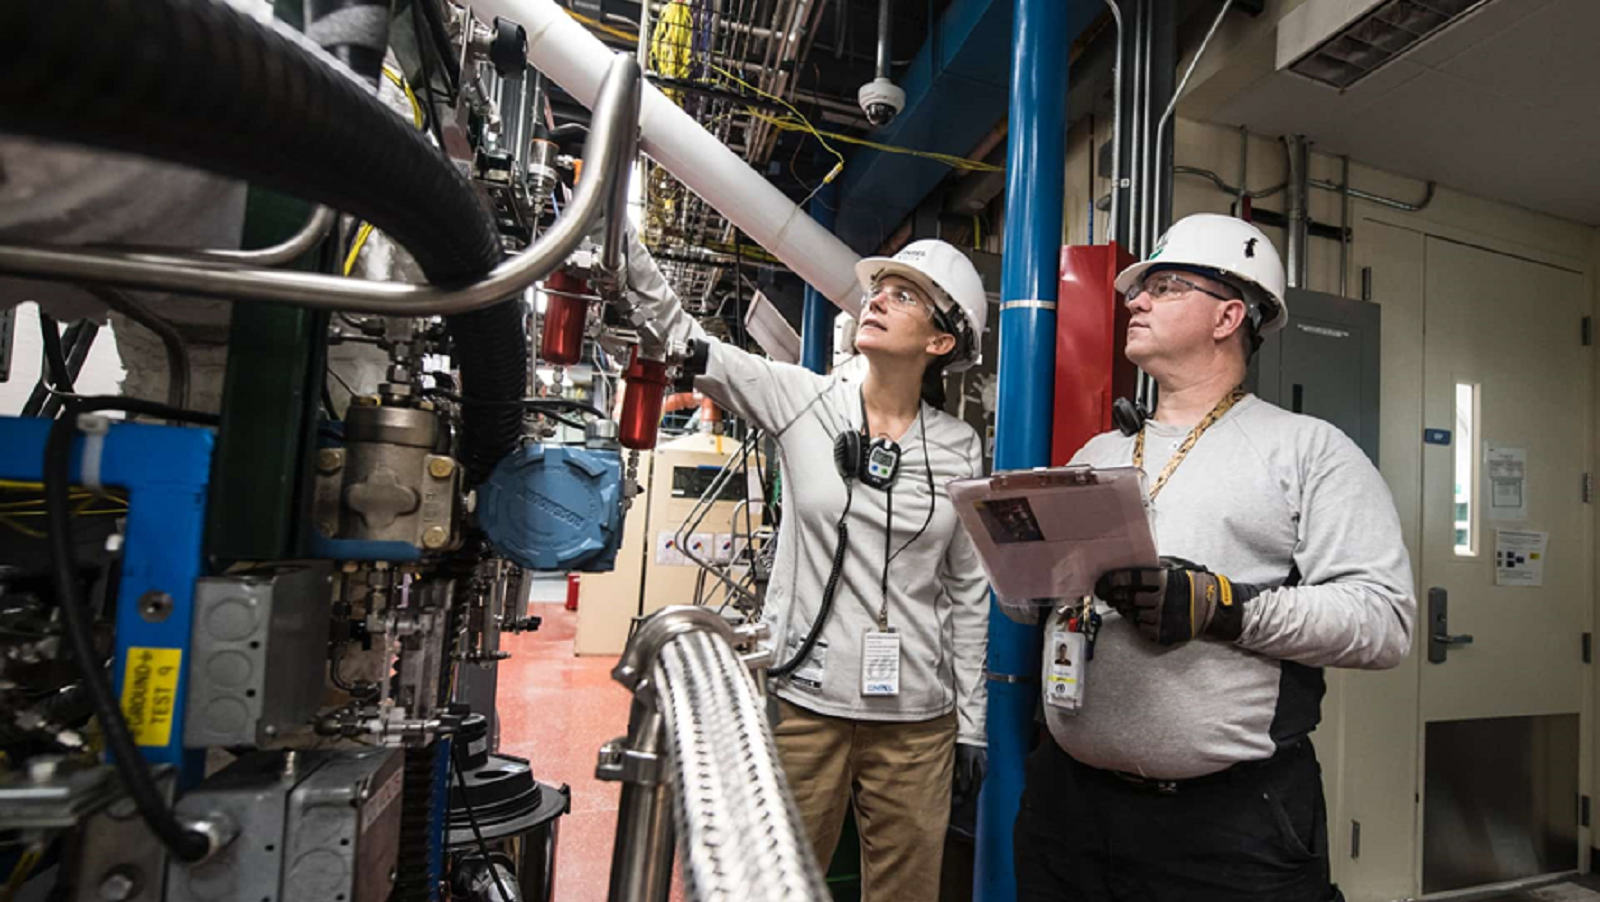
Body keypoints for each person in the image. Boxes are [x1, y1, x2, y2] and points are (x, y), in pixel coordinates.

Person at [1009, 213, 1416, 902]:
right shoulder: (1098, 454)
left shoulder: (1307, 451)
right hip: (1067, 810)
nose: (1134, 300)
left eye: (1163, 287)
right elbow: (1029, 606)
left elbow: (1384, 621)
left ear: (1230, 314)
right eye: (1140, 290)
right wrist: (1029, 583)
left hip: (1227, 832)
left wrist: (1220, 607)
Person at [622, 229, 992, 900]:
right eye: (879, 289)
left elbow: (967, 592)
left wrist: (971, 724)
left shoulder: (960, 448)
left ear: (940, 343)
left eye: (904, 296)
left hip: (918, 726)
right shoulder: (804, 402)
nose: (877, 300)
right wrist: (614, 228)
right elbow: (679, 335)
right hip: (805, 709)